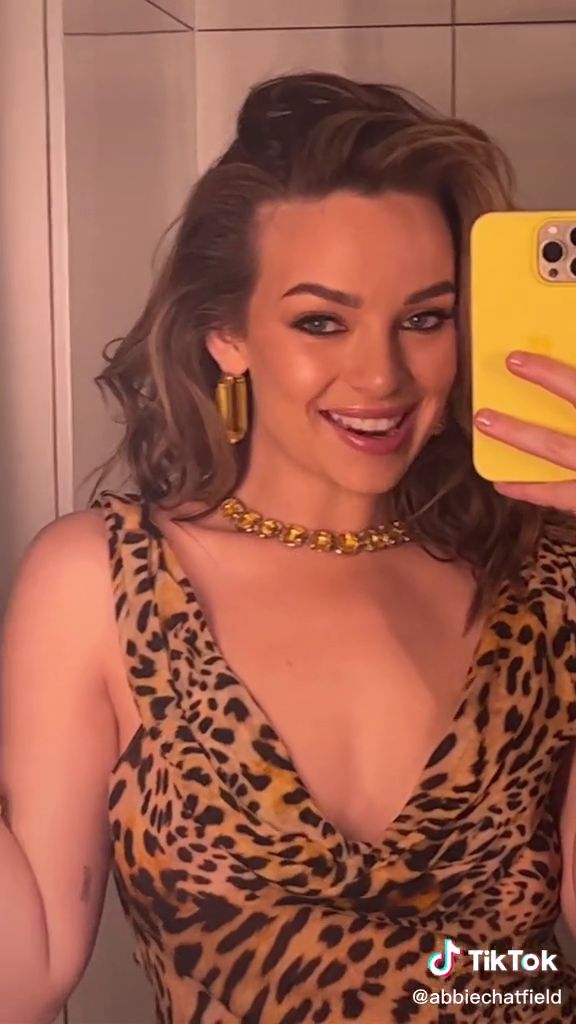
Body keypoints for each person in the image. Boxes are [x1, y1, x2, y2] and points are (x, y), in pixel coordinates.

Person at [1, 70, 576, 1024]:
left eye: (425, 318)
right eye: (321, 322)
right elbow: (27, 975)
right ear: (226, 334)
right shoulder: (102, 580)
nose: (381, 375)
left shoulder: (543, 571)